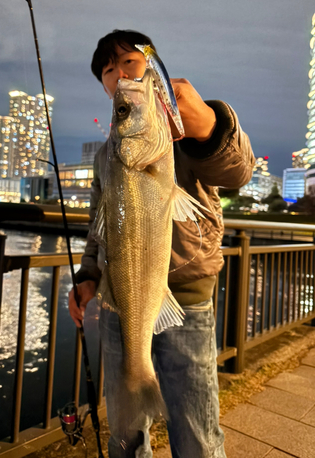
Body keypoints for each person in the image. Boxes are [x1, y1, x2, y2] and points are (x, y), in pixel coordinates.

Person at [69, 29, 255, 458]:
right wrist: (89, 274)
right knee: (126, 436)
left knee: (196, 436)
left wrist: (210, 125)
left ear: (152, 66)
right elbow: (100, 226)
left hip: (186, 303)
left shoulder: (182, 129)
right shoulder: (105, 156)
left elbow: (238, 170)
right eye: (109, 70)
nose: (120, 75)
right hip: (121, 304)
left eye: (129, 62)